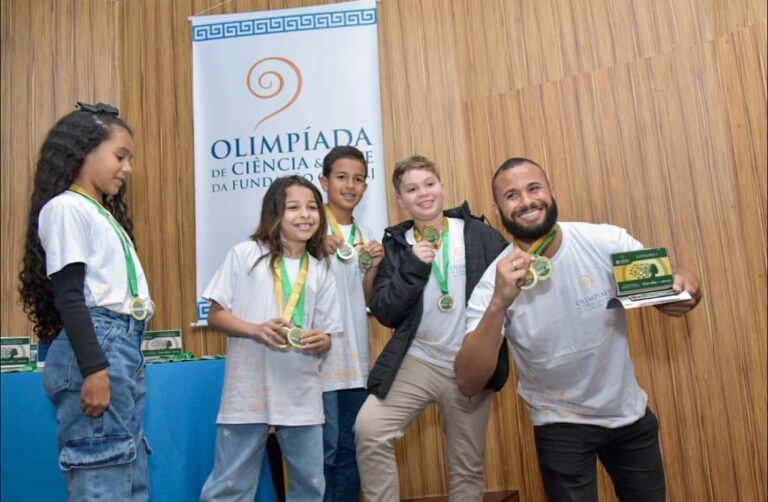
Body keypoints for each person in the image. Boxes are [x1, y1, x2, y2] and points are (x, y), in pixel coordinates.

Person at [455, 157, 703, 502]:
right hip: (559, 423)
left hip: (628, 414)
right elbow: (468, 380)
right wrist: (499, 303)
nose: (526, 201)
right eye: (511, 195)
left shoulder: (604, 241)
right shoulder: (493, 283)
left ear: (552, 191)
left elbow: (671, 288)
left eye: (534, 188)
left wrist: (686, 286)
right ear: (498, 210)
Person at [354, 155, 510, 502]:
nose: (423, 194)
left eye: (429, 184)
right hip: (418, 359)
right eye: (411, 189)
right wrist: (412, 266)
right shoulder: (397, 246)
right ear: (400, 200)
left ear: (441, 186)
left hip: (469, 363)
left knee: (467, 464)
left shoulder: (478, 234)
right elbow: (385, 313)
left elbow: (512, 294)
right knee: (369, 430)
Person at [19, 102, 154, 500]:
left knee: (127, 468)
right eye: (120, 156)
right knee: (103, 471)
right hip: (99, 346)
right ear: (84, 152)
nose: (127, 168)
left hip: (122, 344)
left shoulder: (99, 213)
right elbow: (69, 294)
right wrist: (94, 368)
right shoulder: (66, 207)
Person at [199, 175, 343, 502]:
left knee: (310, 485)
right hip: (248, 390)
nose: (305, 215)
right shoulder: (245, 255)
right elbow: (216, 315)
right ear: (274, 213)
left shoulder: (320, 269)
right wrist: (256, 330)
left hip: (301, 391)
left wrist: (322, 342)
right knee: (230, 484)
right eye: (293, 207)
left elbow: (327, 335)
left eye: (312, 208)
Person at [318, 146, 384, 501]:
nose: (350, 186)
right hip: (318, 360)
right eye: (341, 177)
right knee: (322, 451)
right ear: (324, 182)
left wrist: (373, 267)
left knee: (351, 448)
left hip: (354, 360)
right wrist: (313, 244)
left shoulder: (366, 233)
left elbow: (365, 297)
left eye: (358, 179)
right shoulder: (310, 228)